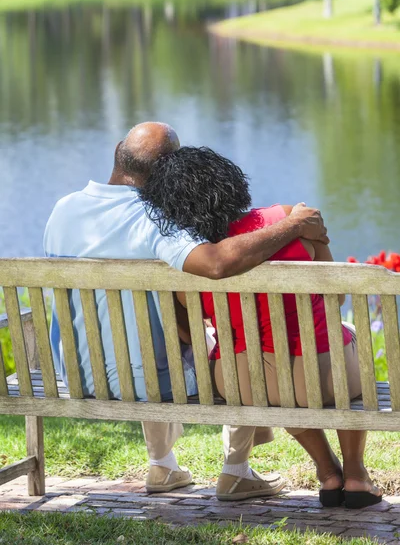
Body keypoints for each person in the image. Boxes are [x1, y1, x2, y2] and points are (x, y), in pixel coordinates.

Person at [43, 122, 327, 501]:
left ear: (118, 151)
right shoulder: (153, 220)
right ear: (169, 170)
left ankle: (163, 465)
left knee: (145, 337)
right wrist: (291, 225)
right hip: (145, 381)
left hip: (77, 373)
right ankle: (236, 471)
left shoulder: (63, 210)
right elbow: (215, 264)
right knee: (236, 341)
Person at [140, 145, 382, 509]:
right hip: (318, 371)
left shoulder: (188, 257)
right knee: (342, 337)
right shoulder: (287, 218)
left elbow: (189, 331)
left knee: (274, 379)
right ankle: (356, 475)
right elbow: (337, 299)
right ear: (230, 183)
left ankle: (328, 472)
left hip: (240, 379)